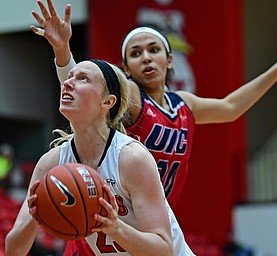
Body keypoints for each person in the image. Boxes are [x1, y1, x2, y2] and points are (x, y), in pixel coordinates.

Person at [31, 1, 277, 207]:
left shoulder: (183, 104)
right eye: (136, 54)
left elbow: (231, 107)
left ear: (169, 59)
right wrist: (62, 50)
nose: (146, 58)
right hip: (116, 210)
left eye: (154, 49)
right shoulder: (133, 97)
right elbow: (82, 89)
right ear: (125, 68)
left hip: (155, 217)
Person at [5, 59, 195, 256]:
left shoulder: (131, 157)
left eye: (83, 79)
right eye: (69, 78)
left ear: (108, 102)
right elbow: (14, 251)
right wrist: (34, 219)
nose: (68, 83)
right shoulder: (51, 163)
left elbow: (163, 250)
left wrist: (116, 228)